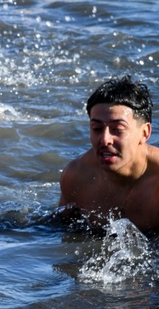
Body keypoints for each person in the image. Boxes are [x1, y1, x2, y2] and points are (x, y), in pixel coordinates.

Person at [59, 76, 159, 234]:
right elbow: (59, 233)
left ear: (145, 133)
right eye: (97, 128)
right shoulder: (77, 177)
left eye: (117, 129)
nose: (105, 140)